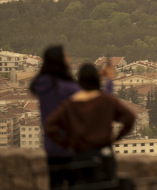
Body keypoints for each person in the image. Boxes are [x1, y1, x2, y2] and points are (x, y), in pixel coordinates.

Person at [30, 47, 116, 189]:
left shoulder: (42, 84)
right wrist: (109, 80)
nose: (68, 59)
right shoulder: (67, 88)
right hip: (71, 146)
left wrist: (94, 76)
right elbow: (96, 103)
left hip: (51, 145)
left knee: (55, 185)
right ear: (60, 61)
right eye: (66, 56)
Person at [45, 64, 135, 187]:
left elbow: (50, 126)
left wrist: (68, 143)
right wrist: (117, 137)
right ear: (96, 80)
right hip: (103, 155)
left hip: (79, 157)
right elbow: (130, 117)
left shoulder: (69, 105)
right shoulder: (106, 100)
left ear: (80, 81)